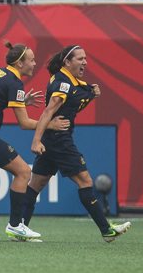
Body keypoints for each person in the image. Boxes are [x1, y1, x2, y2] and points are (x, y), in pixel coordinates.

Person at [0, 41, 70, 241]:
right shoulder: (14, 82)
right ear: (20, 63)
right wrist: (50, 125)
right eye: (32, 60)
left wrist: (20, 101)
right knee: (24, 172)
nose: (35, 64)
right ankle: (16, 225)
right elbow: (25, 123)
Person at [24, 45, 132, 242]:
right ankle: (106, 230)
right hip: (59, 140)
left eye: (85, 58)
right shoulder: (63, 84)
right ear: (67, 61)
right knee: (85, 181)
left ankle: (18, 227)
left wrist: (91, 94)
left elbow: (73, 103)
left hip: (53, 140)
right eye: (80, 58)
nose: (84, 62)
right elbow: (48, 112)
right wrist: (36, 140)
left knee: (36, 184)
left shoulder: (71, 82)